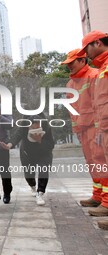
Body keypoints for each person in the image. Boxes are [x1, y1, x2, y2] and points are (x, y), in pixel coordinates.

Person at [60, 49, 103, 208]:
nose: (69, 66)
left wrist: (100, 129)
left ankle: (106, 200)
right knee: (92, 162)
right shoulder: (70, 84)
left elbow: (100, 104)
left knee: (101, 162)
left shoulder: (94, 75)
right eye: (68, 64)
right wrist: (76, 130)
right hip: (84, 129)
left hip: (95, 127)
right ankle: (97, 195)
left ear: (82, 60)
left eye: (72, 62)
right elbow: (72, 110)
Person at [77, 31, 108, 227]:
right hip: (101, 126)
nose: (86, 54)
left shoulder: (98, 72)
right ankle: (102, 198)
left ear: (97, 43)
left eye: (87, 48)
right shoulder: (103, 68)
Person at [0, 113, 54, 205]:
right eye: (33, 128)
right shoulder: (23, 128)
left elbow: (51, 145)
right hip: (27, 153)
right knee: (29, 174)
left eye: (38, 127)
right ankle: (32, 186)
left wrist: (40, 140)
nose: (35, 129)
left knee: (43, 171)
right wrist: (9, 145)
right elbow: (16, 136)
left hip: (44, 153)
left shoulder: (46, 128)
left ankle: (40, 193)